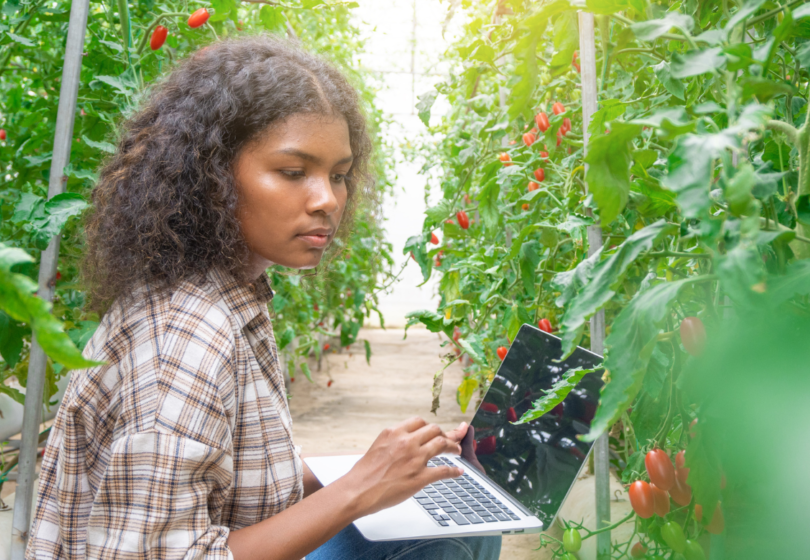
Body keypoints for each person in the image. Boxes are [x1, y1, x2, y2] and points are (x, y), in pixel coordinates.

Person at [26, 36, 501, 560]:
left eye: (338, 175)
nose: (327, 200)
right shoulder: (186, 336)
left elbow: (224, 473)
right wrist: (356, 490)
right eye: (293, 172)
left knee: (451, 511)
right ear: (211, 176)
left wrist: (383, 468)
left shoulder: (231, 293)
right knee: (449, 540)